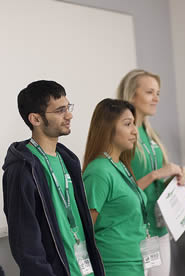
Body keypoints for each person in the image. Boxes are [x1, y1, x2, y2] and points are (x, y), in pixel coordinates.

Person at [2, 80, 105, 276]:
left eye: (68, 107)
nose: (69, 115)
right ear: (36, 119)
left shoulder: (68, 160)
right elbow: (25, 244)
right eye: (60, 111)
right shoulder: (22, 169)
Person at [117, 69, 185, 276]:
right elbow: (119, 193)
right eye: (150, 92)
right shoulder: (122, 136)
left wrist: (176, 176)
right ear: (132, 95)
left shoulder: (150, 134)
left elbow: (156, 176)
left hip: (158, 227)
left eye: (158, 93)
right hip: (135, 230)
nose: (156, 98)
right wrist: (156, 174)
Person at [82, 98, 147, 276]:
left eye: (134, 124)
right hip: (114, 267)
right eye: (128, 124)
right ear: (107, 127)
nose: (135, 131)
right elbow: (85, 230)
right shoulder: (99, 171)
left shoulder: (120, 166)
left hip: (135, 263)